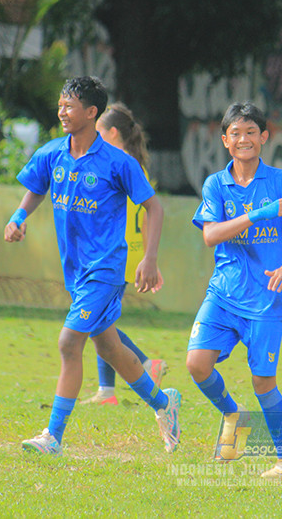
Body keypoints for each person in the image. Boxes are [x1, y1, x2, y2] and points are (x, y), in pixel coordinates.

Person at [5, 77, 180, 455]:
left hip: (105, 268)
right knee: (111, 349)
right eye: (60, 104)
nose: (62, 112)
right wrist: (18, 217)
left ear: (91, 112)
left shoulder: (119, 163)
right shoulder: (53, 153)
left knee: (69, 343)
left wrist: (150, 259)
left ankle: (52, 437)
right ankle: (164, 404)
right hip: (76, 269)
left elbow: (154, 207)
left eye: (70, 106)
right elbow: (37, 186)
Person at [186, 102, 282, 478]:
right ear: (225, 140)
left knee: (263, 382)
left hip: (266, 298)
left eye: (251, 132)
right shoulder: (216, 184)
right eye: (235, 133)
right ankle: (233, 415)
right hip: (223, 294)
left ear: (264, 137)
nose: (243, 139)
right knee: (196, 364)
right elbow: (211, 235)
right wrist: (259, 214)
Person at [83, 102, 168, 405]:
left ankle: (146, 365)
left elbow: (148, 215)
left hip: (116, 256)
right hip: (124, 255)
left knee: (98, 322)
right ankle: (107, 391)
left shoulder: (118, 165)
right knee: (100, 321)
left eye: (98, 133)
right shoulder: (134, 165)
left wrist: (150, 259)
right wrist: (147, 255)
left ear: (113, 132)